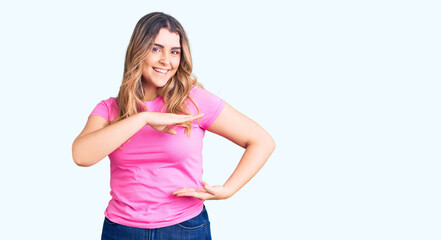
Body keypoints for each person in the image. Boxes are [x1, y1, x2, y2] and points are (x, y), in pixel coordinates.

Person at [72, 12, 275, 240]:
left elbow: (261, 141)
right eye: (156, 49)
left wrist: (228, 190)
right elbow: (81, 156)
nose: (166, 61)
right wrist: (143, 118)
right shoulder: (110, 109)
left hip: (184, 228)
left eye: (174, 52)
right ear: (138, 51)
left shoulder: (195, 101)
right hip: (121, 231)